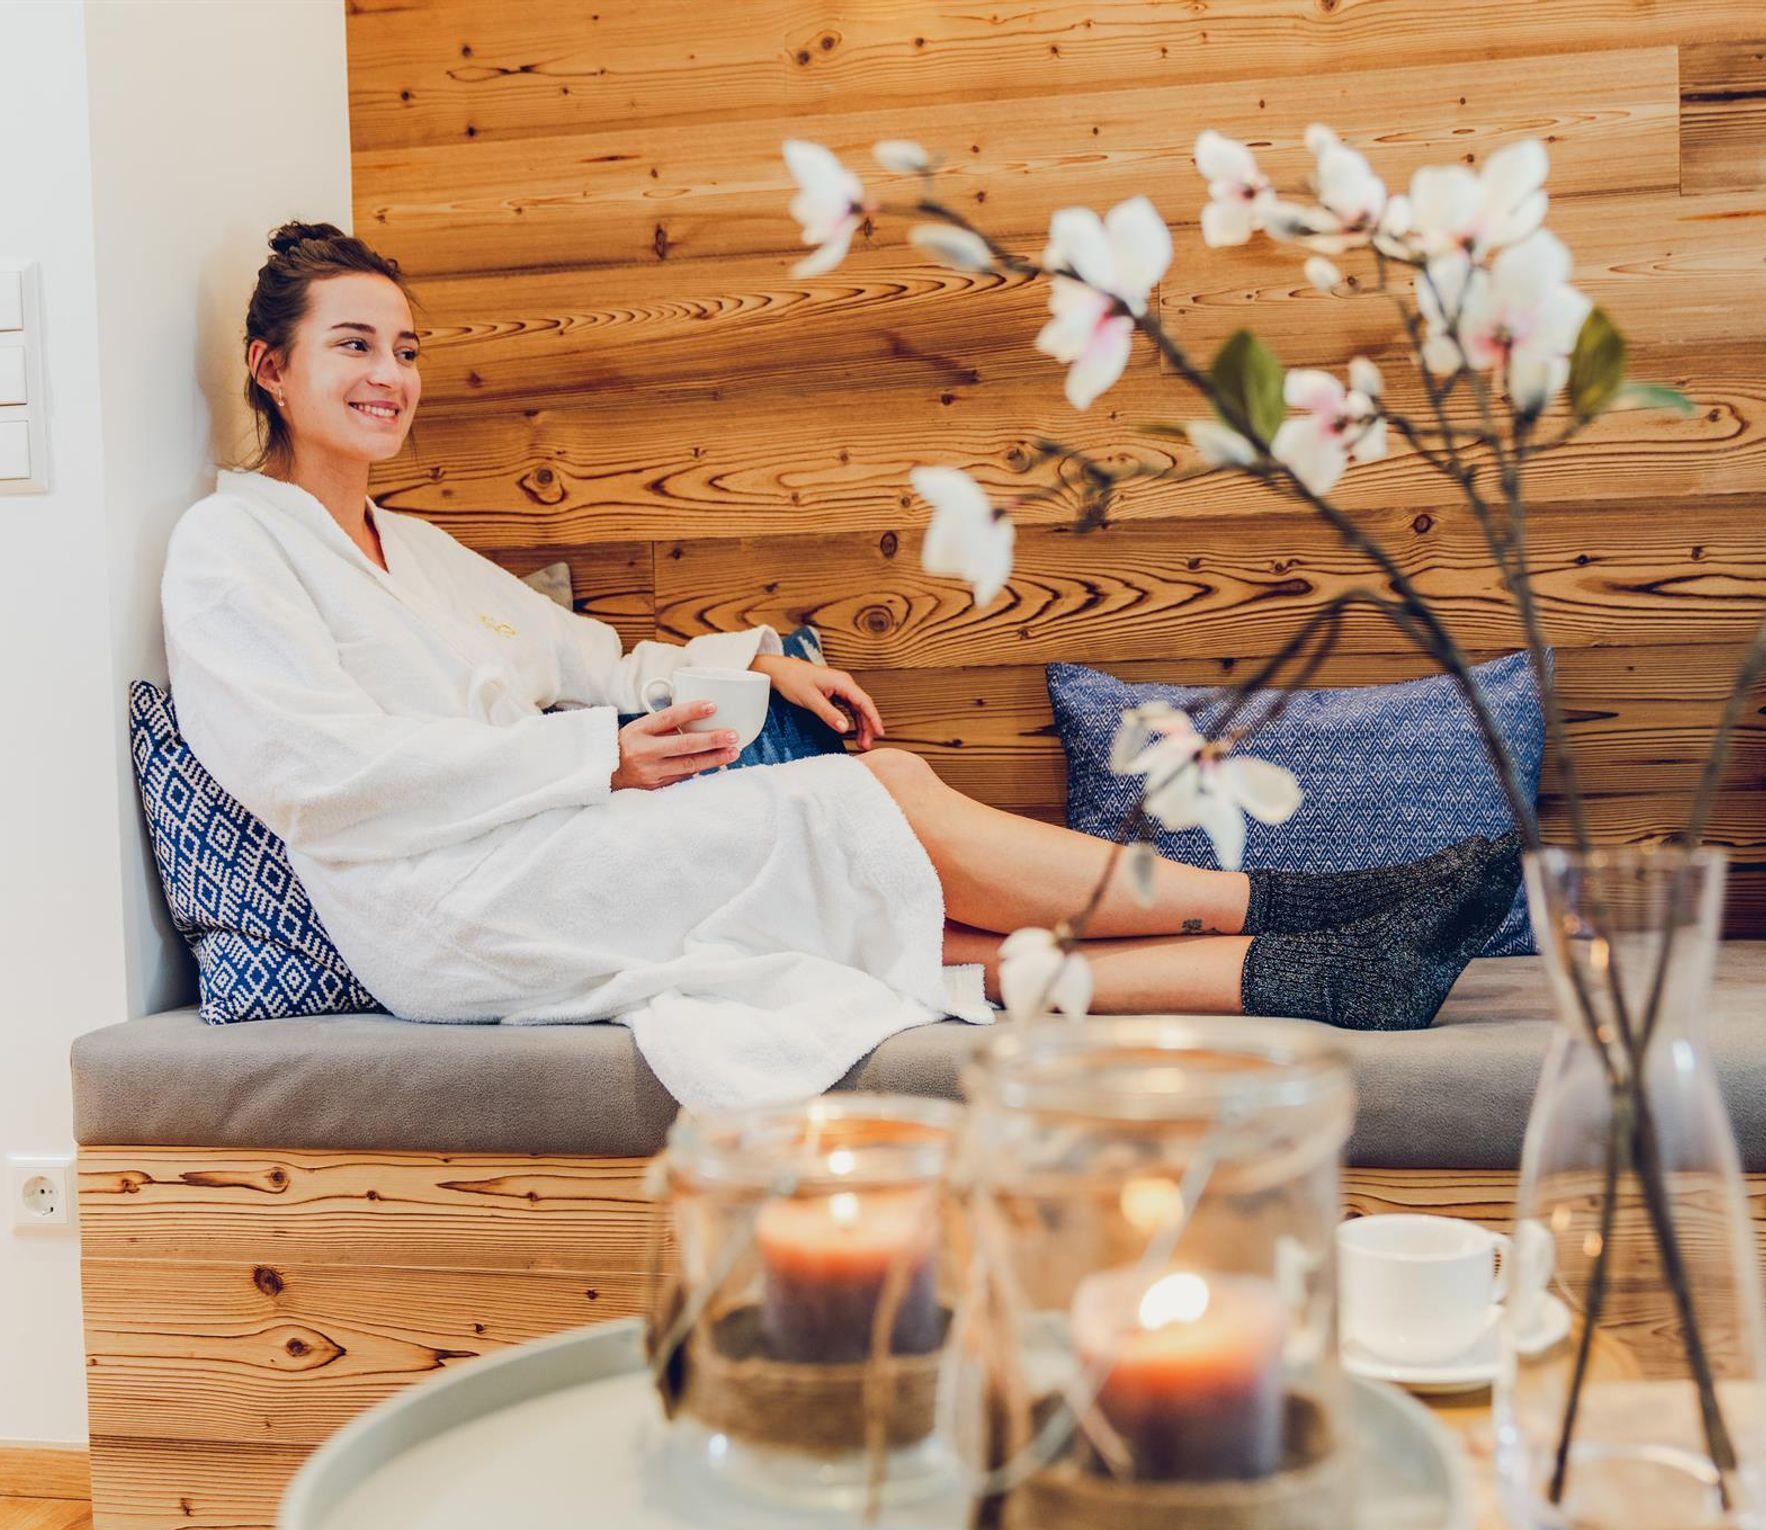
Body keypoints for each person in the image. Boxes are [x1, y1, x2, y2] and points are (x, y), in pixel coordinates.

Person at [160, 223, 1519, 1109]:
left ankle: (1304, 969)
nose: (391, 377)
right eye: (354, 346)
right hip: (438, 906)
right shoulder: (229, 547)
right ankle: (1298, 897)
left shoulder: (414, 546)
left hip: (536, 846)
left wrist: (754, 659)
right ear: (271, 366)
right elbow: (315, 772)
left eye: (405, 351)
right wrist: (597, 759)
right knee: (870, 800)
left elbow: (595, 658)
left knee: (898, 905)